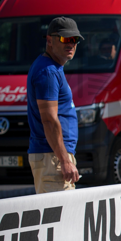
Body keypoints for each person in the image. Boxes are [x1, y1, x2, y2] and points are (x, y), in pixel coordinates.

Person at [27, 16, 82, 193]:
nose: (71, 44)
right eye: (66, 39)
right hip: (53, 158)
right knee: (62, 219)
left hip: (53, 157)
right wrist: (65, 161)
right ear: (49, 40)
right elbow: (49, 120)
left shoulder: (52, 68)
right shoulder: (48, 71)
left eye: (75, 40)